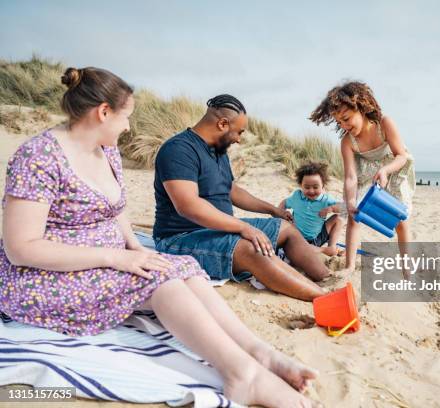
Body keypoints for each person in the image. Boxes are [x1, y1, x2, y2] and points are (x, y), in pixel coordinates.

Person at [0, 67, 319, 408]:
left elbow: (116, 208)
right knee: (162, 281)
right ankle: (242, 374)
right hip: (46, 276)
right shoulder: (39, 158)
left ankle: (261, 354)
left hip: (106, 258)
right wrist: (117, 257)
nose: (128, 126)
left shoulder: (105, 151)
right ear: (103, 112)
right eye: (126, 117)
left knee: (185, 270)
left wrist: (134, 246)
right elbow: (21, 249)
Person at [153, 95, 329, 301]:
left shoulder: (218, 152)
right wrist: (242, 227)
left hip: (219, 229)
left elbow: (230, 190)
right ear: (222, 124)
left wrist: (272, 210)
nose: (238, 139)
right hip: (181, 237)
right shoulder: (178, 150)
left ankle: (327, 278)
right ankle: (323, 298)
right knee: (251, 248)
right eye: (239, 132)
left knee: (285, 229)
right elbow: (188, 205)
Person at [310, 81, 416, 273]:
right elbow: (350, 177)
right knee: (353, 217)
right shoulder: (347, 142)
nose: (343, 125)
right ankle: (349, 266)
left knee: (401, 220)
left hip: (393, 167)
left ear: (361, 107)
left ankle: (406, 269)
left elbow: (401, 156)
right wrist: (350, 201)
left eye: (346, 118)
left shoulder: (384, 124)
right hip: (366, 172)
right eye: (338, 122)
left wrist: (385, 171)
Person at [279, 162, 344, 256]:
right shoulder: (297, 196)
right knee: (295, 247)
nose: (311, 191)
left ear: (322, 186)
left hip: (316, 238)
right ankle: (324, 250)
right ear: (301, 186)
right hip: (297, 237)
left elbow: (344, 208)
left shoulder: (325, 200)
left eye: (315, 187)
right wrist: (281, 212)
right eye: (307, 187)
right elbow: (284, 202)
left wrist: (332, 208)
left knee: (338, 219)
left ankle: (331, 247)